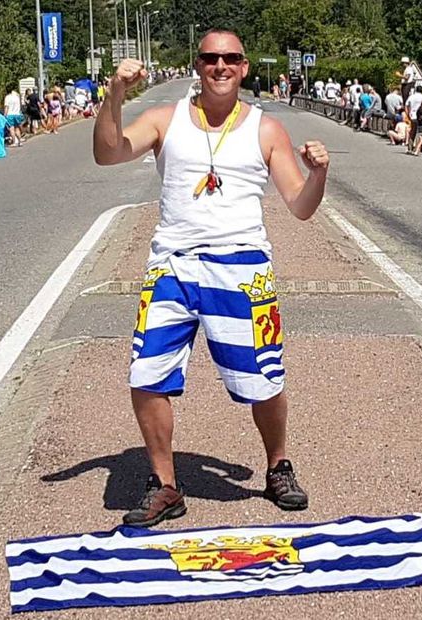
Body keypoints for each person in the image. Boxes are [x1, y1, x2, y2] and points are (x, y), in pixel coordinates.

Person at [92, 30, 329, 526]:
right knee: (146, 373)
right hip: (172, 265)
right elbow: (109, 152)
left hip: (242, 269)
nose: (220, 66)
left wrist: (319, 175)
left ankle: (277, 465)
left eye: (230, 59)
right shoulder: (165, 119)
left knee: (263, 380)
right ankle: (165, 485)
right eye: (210, 58)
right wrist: (114, 94)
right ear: (197, 66)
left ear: (244, 68)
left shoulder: (266, 130)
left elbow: (301, 208)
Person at [404, 85, 422, 155]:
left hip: (412, 115)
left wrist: (407, 114)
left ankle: (410, 147)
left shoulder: (411, 97)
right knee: (421, 132)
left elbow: (406, 105)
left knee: (413, 132)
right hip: (421, 116)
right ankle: (418, 148)